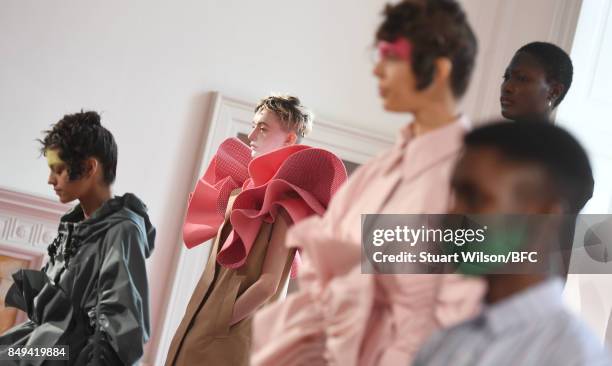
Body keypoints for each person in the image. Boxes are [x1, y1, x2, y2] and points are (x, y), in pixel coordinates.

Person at [251, 1, 486, 365]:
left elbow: (450, 320)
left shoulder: (473, 182)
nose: (377, 69)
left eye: (390, 55)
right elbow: (318, 285)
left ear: (439, 70)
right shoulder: (376, 173)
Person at [164, 95, 348, 366]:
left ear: (289, 140)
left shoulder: (287, 204)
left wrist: (220, 320)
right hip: (203, 312)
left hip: (230, 333)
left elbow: (268, 284)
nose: (251, 135)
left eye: (263, 128)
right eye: (253, 125)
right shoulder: (241, 190)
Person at [413, 120, 612, 366]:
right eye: (455, 196)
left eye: (474, 198)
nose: (450, 215)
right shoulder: (445, 342)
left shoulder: (575, 358)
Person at [0, 111, 154, 365]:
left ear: (90, 167)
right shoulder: (75, 226)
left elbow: (123, 336)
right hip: (47, 347)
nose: (50, 180)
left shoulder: (121, 231)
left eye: (58, 169)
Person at [500, 42, 573, 121]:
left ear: (554, 91)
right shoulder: (491, 132)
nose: (507, 87)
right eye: (506, 77)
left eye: (522, 78)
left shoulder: (558, 134)